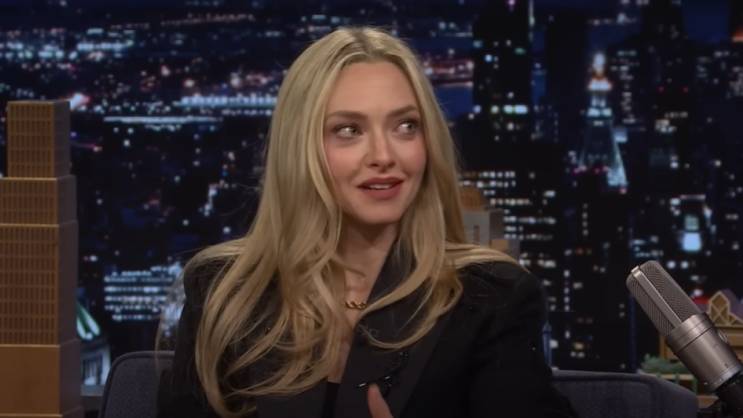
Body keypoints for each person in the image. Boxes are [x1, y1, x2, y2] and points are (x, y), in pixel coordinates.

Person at [157, 26, 577, 418]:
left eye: (406, 126)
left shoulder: (489, 300)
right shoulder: (225, 292)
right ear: (300, 147)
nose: (383, 155)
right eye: (349, 130)